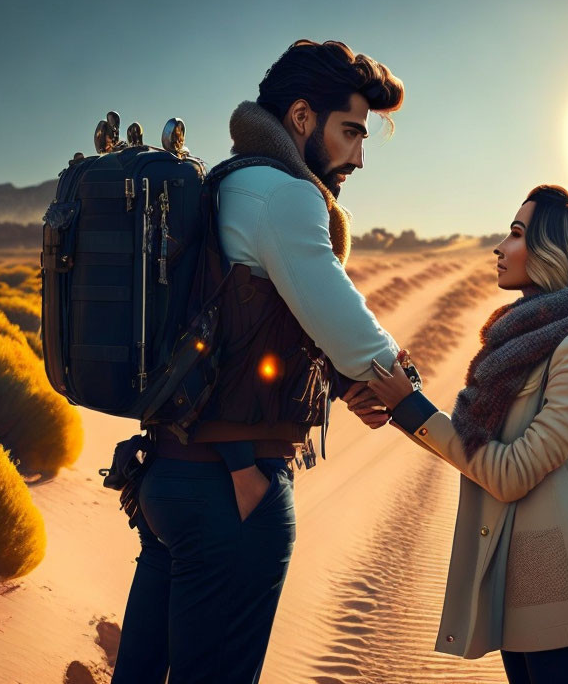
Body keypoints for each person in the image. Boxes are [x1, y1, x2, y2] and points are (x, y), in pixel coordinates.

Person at [112, 40, 406, 684]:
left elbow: (254, 329)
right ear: (301, 118)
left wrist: (338, 378)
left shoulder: (226, 182)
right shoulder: (284, 195)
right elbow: (343, 322)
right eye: (351, 131)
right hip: (231, 490)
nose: (359, 155)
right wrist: (395, 376)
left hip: (168, 477)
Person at [360, 185, 568, 684]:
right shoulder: (530, 342)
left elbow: (509, 474)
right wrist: (408, 403)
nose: (499, 247)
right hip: (523, 585)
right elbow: (482, 444)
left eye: (516, 234)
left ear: (558, 251)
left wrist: (412, 408)